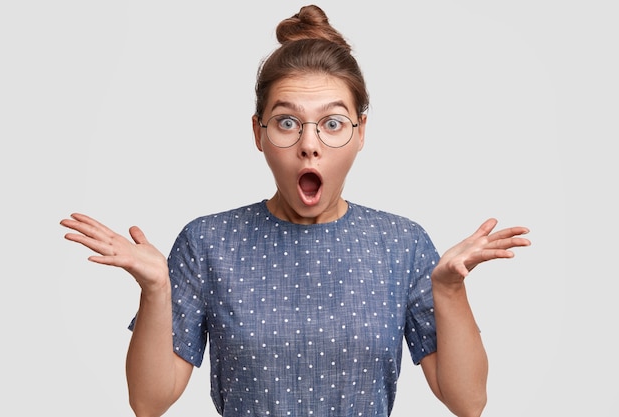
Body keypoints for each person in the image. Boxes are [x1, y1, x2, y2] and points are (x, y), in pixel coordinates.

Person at [60, 4, 530, 417]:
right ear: (258, 132)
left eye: (332, 123)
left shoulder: (402, 244)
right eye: (287, 122)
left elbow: (467, 402)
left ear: (361, 132)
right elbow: (149, 402)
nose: (310, 145)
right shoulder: (207, 243)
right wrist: (155, 290)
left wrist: (448, 290)